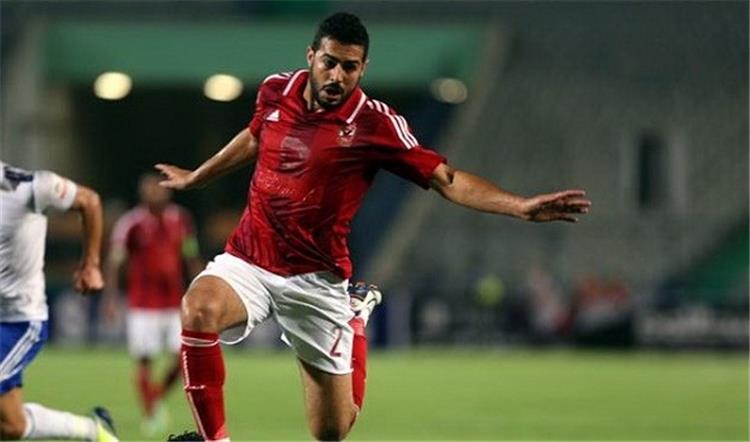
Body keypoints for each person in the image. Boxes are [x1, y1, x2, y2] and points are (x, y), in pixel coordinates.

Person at [156, 12, 591, 442]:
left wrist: (519, 206)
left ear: (363, 68)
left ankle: (354, 318)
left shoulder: (375, 124)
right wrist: (198, 177)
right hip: (249, 260)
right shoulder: (276, 90)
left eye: (349, 67)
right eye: (329, 62)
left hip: (315, 281)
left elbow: (447, 180)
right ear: (311, 56)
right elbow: (255, 136)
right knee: (198, 308)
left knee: (330, 430)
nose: (337, 76)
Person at [0, 161, 118, 441]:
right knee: (11, 426)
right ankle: (94, 430)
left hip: (19, 319)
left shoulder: (27, 187)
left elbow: (89, 201)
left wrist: (90, 265)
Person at [104, 173, 202, 434]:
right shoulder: (131, 223)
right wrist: (111, 298)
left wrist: (200, 287)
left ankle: (155, 398)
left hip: (173, 301)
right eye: (150, 190)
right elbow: (115, 261)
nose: (156, 194)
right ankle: (151, 414)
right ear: (142, 194)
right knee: (144, 360)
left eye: (159, 190)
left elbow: (191, 255)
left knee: (182, 358)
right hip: (142, 303)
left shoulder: (180, 219)